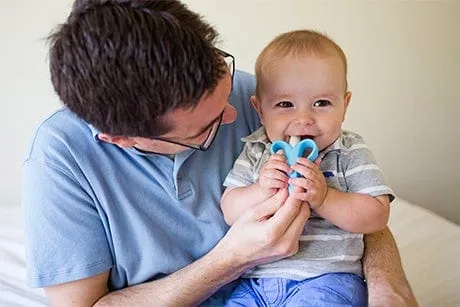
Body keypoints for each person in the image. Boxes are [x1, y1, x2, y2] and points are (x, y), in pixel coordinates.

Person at [21, 0, 417, 306]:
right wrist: (231, 259)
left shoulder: (266, 98)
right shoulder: (60, 159)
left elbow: (351, 186)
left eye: (225, 82)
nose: (235, 114)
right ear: (122, 139)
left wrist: (388, 285)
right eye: (207, 127)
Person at [220, 30, 393, 305]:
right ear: (260, 110)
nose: (304, 118)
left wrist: (325, 198)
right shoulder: (256, 149)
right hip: (253, 283)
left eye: (321, 103)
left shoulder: (348, 151)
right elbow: (230, 209)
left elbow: (377, 216)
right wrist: (260, 190)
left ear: (344, 105)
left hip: (327, 279)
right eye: (285, 104)